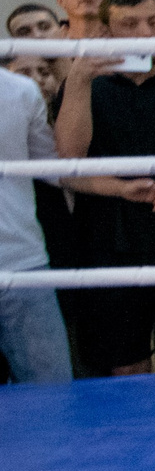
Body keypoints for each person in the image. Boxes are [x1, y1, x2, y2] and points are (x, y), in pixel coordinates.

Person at [52, 0, 155, 375]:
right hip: (107, 241)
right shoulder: (84, 87)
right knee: (126, 363)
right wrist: (78, 80)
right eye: (129, 24)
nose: (143, 31)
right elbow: (69, 161)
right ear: (105, 31)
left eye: (152, 22)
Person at [0, 52, 73, 384]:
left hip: (22, 261)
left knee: (51, 390)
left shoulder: (20, 90)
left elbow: (55, 169)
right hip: (24, 262)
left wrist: (118, 185)